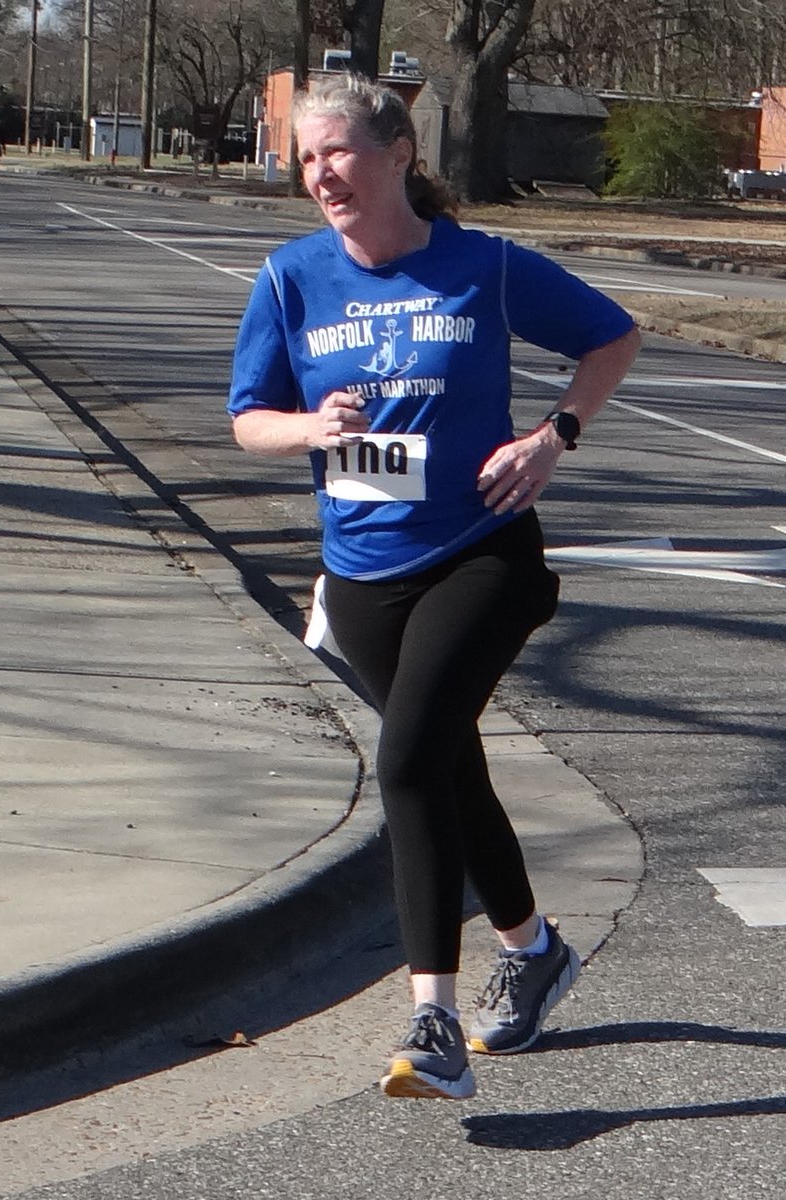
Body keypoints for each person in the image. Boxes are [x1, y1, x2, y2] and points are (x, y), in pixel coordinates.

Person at [228, 74, 640, 1101]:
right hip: (361, 570)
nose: (320, 173)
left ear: (400, 153)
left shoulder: (485, 268)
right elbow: (248, 416)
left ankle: (433, 1019)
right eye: (305, 156)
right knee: (448, 768)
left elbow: (610, 335)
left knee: (407, 757)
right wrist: (312, 429)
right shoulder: (289, 278)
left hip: (480, 551)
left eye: (337, 152)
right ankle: (534, 947)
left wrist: (555, 437)